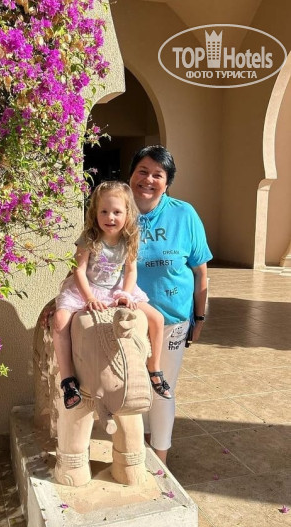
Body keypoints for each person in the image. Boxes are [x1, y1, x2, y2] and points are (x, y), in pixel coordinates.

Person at [53, 180, 170, 410]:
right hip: (88, 288)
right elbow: (79, 270)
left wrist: (125, 293)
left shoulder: (130, 238)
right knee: (59, 321)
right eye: (104, 211)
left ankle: (154, 367)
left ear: (127, 213)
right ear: (95, 212)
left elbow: (131, 270)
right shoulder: (89, 237)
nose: (110, 217)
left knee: (157, 318)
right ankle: (67, 378)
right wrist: (89, 298)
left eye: (117, 212)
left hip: (117, 288)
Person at [129, 145, 212, 465]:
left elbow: (201, 272)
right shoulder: (116, 209)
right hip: (129, 320)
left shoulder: (184, 214)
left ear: (167, 183)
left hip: (173, 320)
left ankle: (160, 460)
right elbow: (90, 259)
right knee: (133, 386)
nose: (148, 180)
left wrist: (199, 318)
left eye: (157, 175)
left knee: (161, 387)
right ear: (131, 174)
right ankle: (137, 447)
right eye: (142, 171)